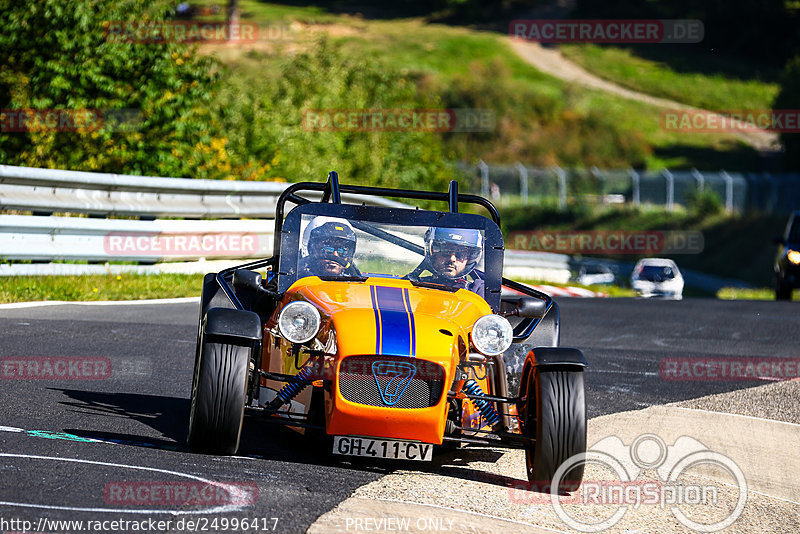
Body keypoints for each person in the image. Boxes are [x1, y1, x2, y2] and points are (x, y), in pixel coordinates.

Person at [407, 227, 485, 297]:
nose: (452, 259)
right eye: (446, 251)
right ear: (434, 254)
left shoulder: (477, 291)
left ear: (469, 260)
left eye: (460, 254)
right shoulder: (410, 285)